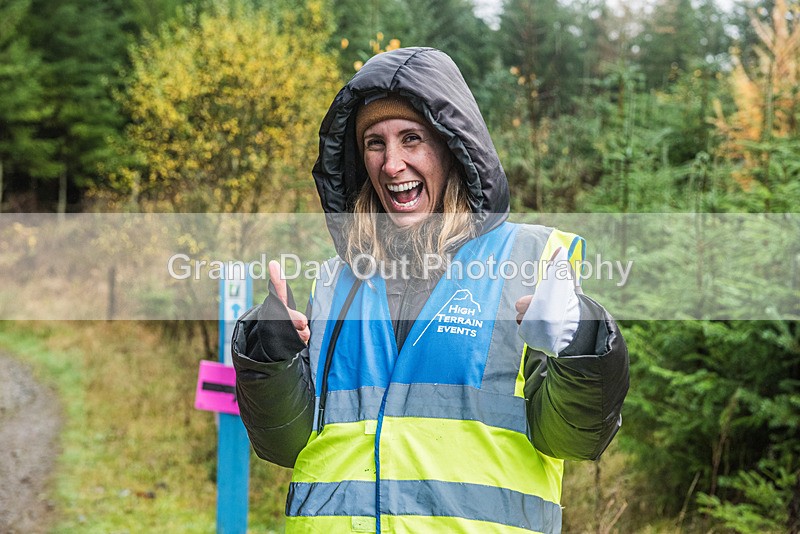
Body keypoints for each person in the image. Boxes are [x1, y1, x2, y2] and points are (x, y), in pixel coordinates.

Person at [232, 47, 629, 534]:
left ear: (451, 147)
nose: (391, 163)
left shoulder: (530, 262)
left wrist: (580, 341)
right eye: (374, 143)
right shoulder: (337, 281)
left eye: (411, 139)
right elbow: (285, 444)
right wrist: (269, 359)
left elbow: (574, 439)